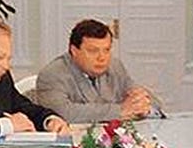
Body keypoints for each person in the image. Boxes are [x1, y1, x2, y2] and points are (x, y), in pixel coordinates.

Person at [32, 18, 163, 124]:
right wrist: (120, 110)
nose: (102, 57)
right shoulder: (52, 74)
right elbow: (64, 113)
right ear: (74, 50)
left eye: (107, 50)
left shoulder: (115, 66)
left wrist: (143, 106)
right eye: (93, 51)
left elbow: (148, 99)